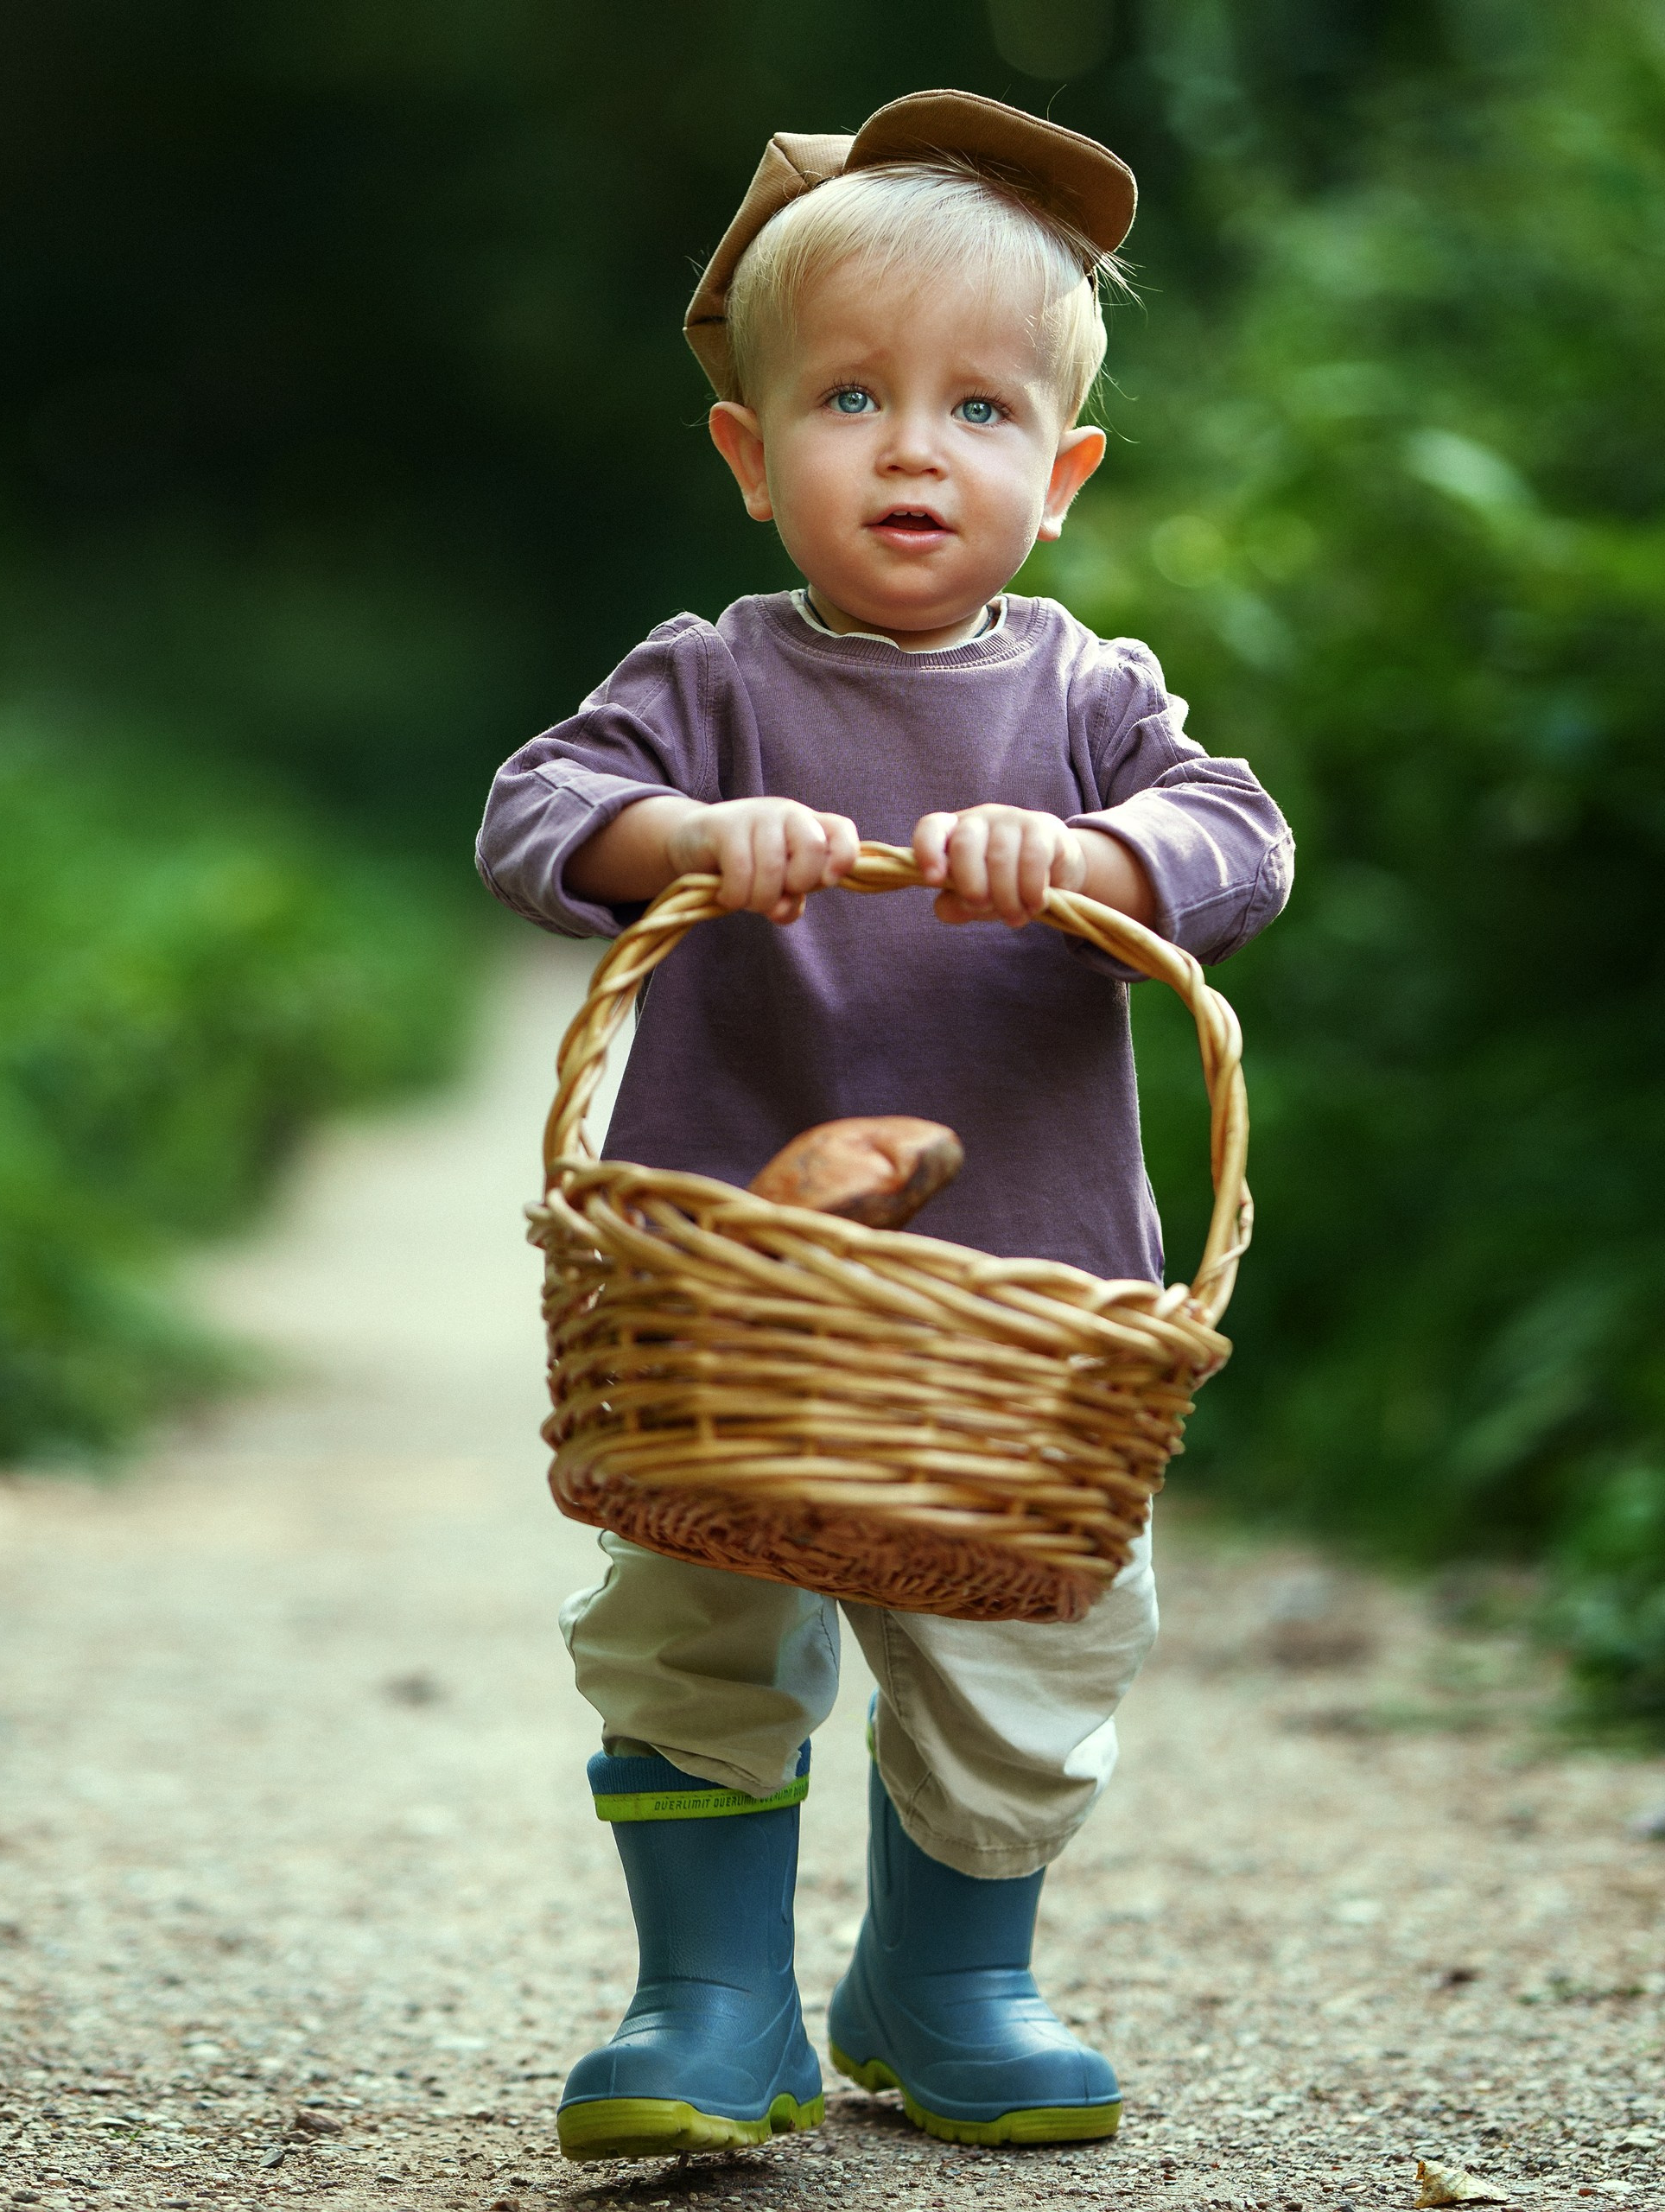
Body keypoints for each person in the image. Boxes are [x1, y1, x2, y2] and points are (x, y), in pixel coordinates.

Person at [477, 90, 1293, 2165]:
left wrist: (1101, 856)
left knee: (1018, 1641)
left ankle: (949, 1974)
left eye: (979, 410)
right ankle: (709, 1989)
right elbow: (533, 814)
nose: (914, 446)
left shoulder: (1093, 697)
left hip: (1020, 1292)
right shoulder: (709, 679)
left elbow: (1240, 841)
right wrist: (680, 826)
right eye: (848, 397)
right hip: (731, 1295)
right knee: (692, 1611)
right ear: (753, 459)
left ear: (1063, 472)